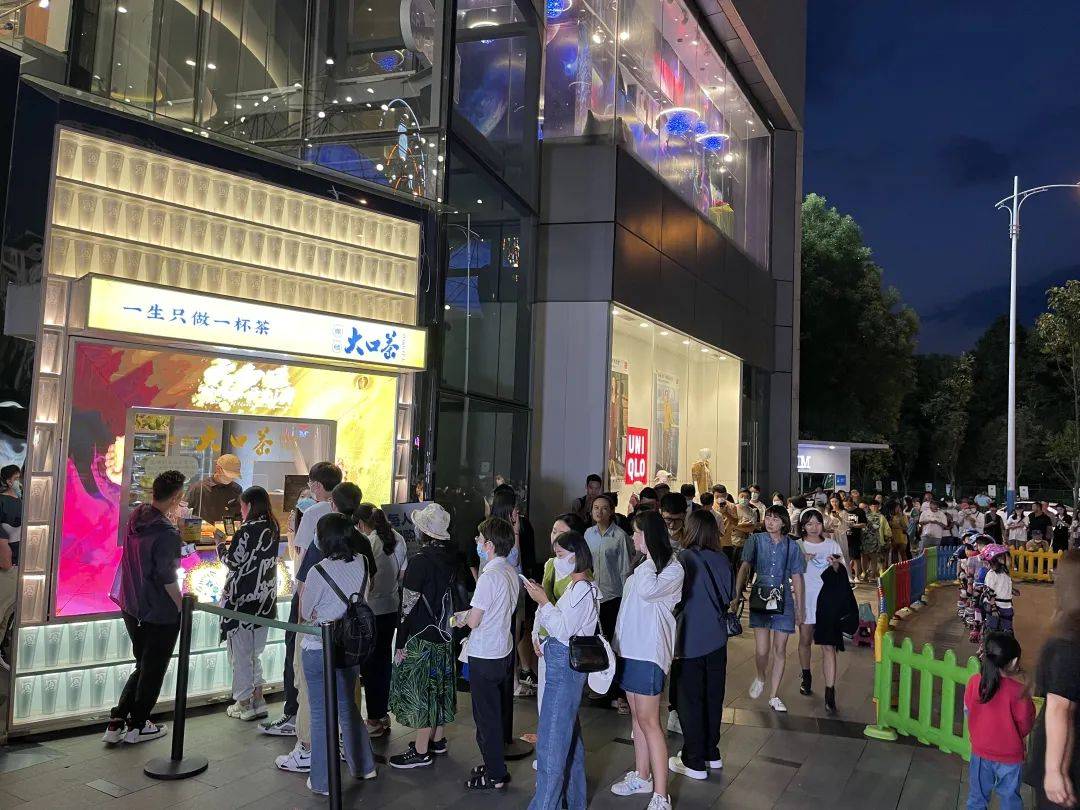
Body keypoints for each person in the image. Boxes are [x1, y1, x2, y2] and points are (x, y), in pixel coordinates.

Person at [276, 478, 359, 774]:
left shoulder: (317, 564)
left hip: (316, 637)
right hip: (351, 637)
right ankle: (347, 747)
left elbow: (304, 606)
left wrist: (299, 632)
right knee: (346, 694)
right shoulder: (361, 551)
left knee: (311, 695)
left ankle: (308, 750)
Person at [102, 470, 185, 745]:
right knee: (153, 669)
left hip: (132, 605)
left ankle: (117, 721)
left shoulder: (137, 516)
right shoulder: (167, 533)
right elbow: (168, 578)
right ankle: (137, 726)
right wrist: (182, 606)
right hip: (159, 611)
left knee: (143, 665)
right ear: (177, 497)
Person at [609, 511, 684, 810]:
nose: (633, 537)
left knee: (650, 721)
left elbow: (648, 591)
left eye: (637, 532)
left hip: (649, 653)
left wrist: (650, 559)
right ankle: (642, 776)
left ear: (650, 535)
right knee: (637, 718)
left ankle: (661, 795)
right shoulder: (643, 566)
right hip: (629, 650)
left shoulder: (671, 569)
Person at [299, 513, 378, 796]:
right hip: (350, 646)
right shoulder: (362, 561)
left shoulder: (317, 571)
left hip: (319, 647)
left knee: (321, 714)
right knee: (347, 706)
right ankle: (364, 766)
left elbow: (305, 611)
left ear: (323, 539)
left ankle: (322, 780)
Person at [262, 461, 342, 739]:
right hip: (339, 600)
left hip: (311, 592)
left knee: (296, 653)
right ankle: (329, 721)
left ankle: (294, 715)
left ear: (316, 485)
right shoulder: (348, 510)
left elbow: (301, 555)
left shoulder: (313, 513)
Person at [522, 531, 598, 810]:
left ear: (577, 555)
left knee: (551, 745)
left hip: (563, 668)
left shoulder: (581, 589)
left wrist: (543, 601)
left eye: (561, 555)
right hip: (562, 665)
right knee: (568, 738)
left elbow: (564, 629)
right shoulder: (576, 588)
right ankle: (573, 801)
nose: (557, 560)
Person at [389, 502, 460, 768]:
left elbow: (407, 607)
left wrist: (400, 642)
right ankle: (438, 740)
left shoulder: (420, 561)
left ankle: (421, 751)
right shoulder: (454, 558)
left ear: (423, 532)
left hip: (421, 635)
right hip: (445, 632)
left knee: (421, 691)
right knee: (440, 686)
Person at [668, 509, 732, 781]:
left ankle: (693, 759)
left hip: (690, 638)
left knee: (690, 699)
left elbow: (675, 597)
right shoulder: (723, 558)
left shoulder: (685, 558)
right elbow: (729, 595)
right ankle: (710, 752)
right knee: (713, 696)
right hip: (717, 637)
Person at [462, 517, 520, 791]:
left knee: (485, 718)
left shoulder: (489, 576)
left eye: (479, 538)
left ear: (489, 545)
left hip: (484, 653)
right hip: (502, 650)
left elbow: (474, 620)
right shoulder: (510, 571)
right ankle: (493, 764)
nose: (476, 542)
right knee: (494, 712)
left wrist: (461, 618)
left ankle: (495, 773)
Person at [730, 505, 806, 712]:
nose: (770, 522)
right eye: (768, 518)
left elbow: (797, 577)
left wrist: (800, 607)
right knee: (762, 651)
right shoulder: (755, 540)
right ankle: (760, 676)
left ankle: (774, 695)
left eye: (775, 519)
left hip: (784, 600)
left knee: (780, 649)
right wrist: (736, 595)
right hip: (761, 597)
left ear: (784, 522)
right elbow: (744, 567)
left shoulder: (792, 546)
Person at [218, 485, 279, 721]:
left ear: (250, 505)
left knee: (240, 654)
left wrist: (220, 545)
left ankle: (244, 703)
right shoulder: (273, 527)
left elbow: (233, 561)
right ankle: (259, 699)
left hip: (240, 601)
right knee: (254, 653)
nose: (241, 511)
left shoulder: (246, 530)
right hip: (265, 601)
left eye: (243, 506)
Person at [1025, 550, 1080, 808]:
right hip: (1067, 753)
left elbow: (1061, 707)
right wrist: (1056, 770)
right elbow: (1061, 706)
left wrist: (1055, 769)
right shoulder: (1068, 640)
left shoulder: (1065, 636)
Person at [964, 632, 1035, 810]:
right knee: (1010, 799)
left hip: (980, 752)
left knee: (977, 798)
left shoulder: (974, 683)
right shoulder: (1019, 692)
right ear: (1014, 662)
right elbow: (1026, 724)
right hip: (1010, 756)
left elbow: (968, 710)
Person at [356, 502, 406, 739]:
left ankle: (374, 719)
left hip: (372, 611)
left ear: (361, 524)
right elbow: (402, 575)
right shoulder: (398, 538)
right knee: (384, 662)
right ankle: (383, 714)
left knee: (370, 666)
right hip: (392, 608)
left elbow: (367, 581)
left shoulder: (368, 543)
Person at [532, 513, 588, 716]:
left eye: (562, 533)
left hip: (565, 645)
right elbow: (541, 604)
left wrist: (543, 600)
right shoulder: (550, 564)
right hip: (546, 637)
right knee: (545, 700)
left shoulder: (582, 579)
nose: (555, 537)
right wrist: (535, 633)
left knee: (560, 707)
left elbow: (567, 624)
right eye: (554, 531)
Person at [795, 508, 846, 708]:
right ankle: (806, 676)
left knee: (828, 646)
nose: (814, 527)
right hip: (806, 600)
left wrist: (836, 566)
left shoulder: (832, 545)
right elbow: (790, 573)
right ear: (803, 526)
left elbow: (843, 572)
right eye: (809, 524)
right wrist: (802, 562)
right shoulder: (797, 546)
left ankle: (830, 692)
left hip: (828, 602)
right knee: (805, 640)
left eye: (817, 523)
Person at [584, 493, 631, 707]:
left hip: (613, 596)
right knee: (595, 642)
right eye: (596, 507)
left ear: (611, 511)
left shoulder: (620, 537)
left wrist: (626, 600)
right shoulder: (588, 534)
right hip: (593, 596)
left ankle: (616, 691)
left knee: (612, 642)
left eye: (604, 508)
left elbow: (624, 570)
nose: (599, 512)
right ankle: (597, 687)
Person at [0, 464, 23, 671]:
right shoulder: (3, 502)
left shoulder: (23, 502)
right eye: (17, 478)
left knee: (9, 613)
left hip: (19, 566)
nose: (20, 483)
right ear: (8, 481)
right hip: (6, 566)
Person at [184, 453, 243, 523]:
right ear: (218, 469)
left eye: (234, 476)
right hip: (201, 529)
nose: (231, 478)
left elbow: (238, 516)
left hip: (228, 529)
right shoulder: (198, 488)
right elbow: (183, 513)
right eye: (229, 475)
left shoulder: (237, 489)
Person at [981, 544, 1015, 634]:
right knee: (992, 630)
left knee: (1008, 630)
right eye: (1006, 557)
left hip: (1006, 605)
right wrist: (993, 608)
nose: (1010, 560)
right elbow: (989, 592)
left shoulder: (1005, 573)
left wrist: (1012, 590)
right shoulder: (991, 574)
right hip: (995, 605)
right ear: (997, 560)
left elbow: (1003, 586)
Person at [885, 499, 910, 565]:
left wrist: (899, 524)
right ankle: (895, 567)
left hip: (902, 537)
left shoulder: (903, 517)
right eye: (896, 507)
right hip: (894, 537)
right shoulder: (891, 517)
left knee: (903, 553)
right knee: (894, 552)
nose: (898, 509)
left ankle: (905, 567)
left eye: (899, 507)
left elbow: (906, 528)